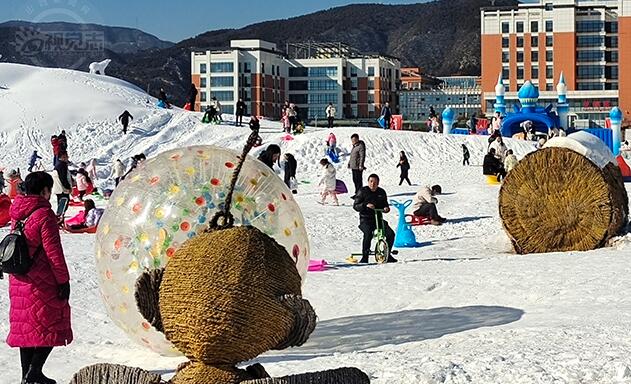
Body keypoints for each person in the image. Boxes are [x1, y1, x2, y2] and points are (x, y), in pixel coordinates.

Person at [7, 171, 72, 384]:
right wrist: (63, 281)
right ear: (44, 190)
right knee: (51, 323)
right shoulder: (44, 215)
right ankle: (34, 371)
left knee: (27, 330)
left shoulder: (18, 212)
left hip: (19, 278)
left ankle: (27, 375)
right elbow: (54, 253)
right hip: (41, 280)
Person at [353, 174, 396, 263]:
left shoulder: (381, 192)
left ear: (378, 183)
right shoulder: (362, 191)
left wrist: (386, 208)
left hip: (378, 218)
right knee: (368, 233)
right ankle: (365, 257)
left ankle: (387, 254)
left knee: (390, 234)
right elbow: (355, 206)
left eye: (375, 182)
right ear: (368, 182)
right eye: (371, 182)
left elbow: (385, 204)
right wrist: (365, 205)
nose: (373, 184)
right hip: (365, 219)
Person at [52, 152, 72, 217]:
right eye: (66, 156)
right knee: (64, 203)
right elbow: (63, 177)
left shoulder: (58, 164)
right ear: (63, 157)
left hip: (58, 188)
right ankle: (59, 217)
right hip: (62, 189)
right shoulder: (62, 165)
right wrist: (68, 187)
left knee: (61, 203)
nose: (67, 157)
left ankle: (59, 216)